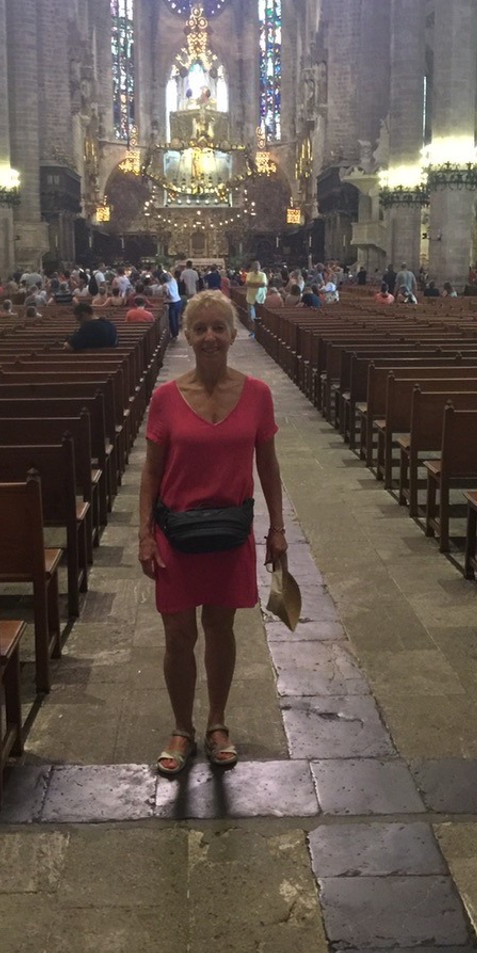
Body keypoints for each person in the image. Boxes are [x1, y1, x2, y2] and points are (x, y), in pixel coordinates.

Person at [138, 291, 286, 775]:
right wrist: (143, 534)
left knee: (220, 629)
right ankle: (182, 727)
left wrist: (278, 530)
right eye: (199, 328)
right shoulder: (165, 398)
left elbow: (268, 466)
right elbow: (150, 474)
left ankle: (217, 723)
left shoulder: (258, 394)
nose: (209, 336)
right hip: (176, 534)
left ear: (234, 333)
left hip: (229, 533)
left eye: (218, 327)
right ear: (187, 335)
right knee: (179, 635)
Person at [244, 259, 268, 332]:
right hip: (250, 297)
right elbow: (247, 284)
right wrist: (258, 285)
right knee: (251, 316)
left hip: (260, 298)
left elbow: (263, 284)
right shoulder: (249, 274)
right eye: (255, 266)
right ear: (252, 267)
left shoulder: (263, 275)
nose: (256, 267)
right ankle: (252, 330)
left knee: (260, 315)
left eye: (257, 266)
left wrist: (253, 284)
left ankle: (259, 331)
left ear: (260, 267)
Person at [163, 269, 182, 340]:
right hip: (178, 300)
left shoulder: (165, 285)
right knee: (176, 318)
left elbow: (166, 294)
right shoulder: (173, 280)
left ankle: (174, 334)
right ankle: (176, 333)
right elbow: (170, 275)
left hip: (171, 302)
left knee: (172, 319)